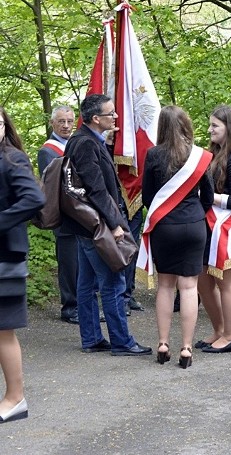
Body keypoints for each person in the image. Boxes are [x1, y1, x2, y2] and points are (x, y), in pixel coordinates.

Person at [61, 94, 151, 356]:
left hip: (86, 226)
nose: (116, 117)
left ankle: (91, 339)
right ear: (95, 118)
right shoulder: (85, 143)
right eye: (111, 114)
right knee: (112, 282)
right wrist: (114, 224)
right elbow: (96, 189)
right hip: (96, 226)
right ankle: (122, 342)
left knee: (87, 283)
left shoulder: (85, 140)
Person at [140, 106, 214, 369]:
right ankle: (186, 347)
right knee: (189, 287)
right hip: (194, 226)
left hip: (165, 227)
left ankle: (162, 343)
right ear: (186, 126)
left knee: (165, 286)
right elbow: (208, 196)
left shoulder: (153, 155)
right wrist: (194, 215)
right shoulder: (200, 156)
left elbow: (148, 197)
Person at [0, 107, 45, 423]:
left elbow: (33, 199)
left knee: (3, 332)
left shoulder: (12, 159)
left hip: (5, 260)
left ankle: (15, 399)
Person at [196, 105, 231, 353]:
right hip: (208, 226)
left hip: (228, 228)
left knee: (227, 283)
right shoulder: (212, 154)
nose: (210, 129)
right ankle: (217, 329)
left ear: (229, 126)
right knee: (203, 281)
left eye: (215, 125)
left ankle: (230, 334)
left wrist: (207, 196)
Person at [37, 105, 79, 324]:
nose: (66, 126)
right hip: (64, 217)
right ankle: (70, 307)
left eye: (70, 121)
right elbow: (56, 187)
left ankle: (82, 306)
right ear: (52, 123)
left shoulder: (75, 144)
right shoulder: (48, 151)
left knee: (81, 264)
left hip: (81, 217)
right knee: (69, 265)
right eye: (61, 121)